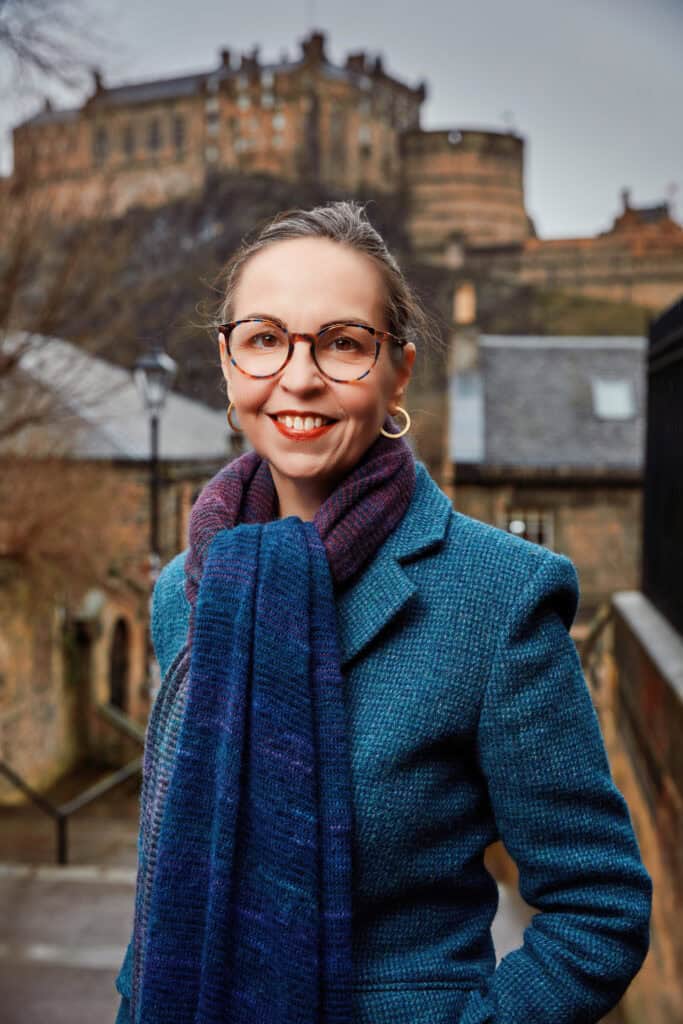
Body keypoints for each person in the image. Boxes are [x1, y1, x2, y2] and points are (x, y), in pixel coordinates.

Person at [115, 201, 651, 1024]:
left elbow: (599, 908)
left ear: (396, 371)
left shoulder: (497, 596)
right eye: (264, 338)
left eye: (340, 342)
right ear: (226, 365)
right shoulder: (186, 590)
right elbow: (167, 880)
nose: (299, 377)